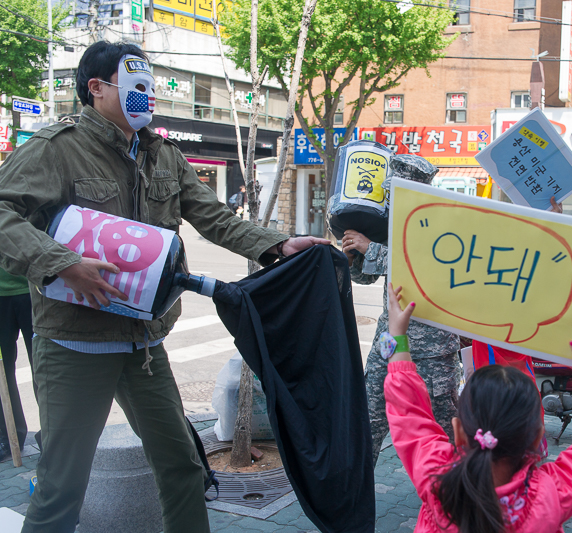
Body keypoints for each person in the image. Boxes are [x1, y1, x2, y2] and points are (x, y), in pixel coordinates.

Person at [0, 41, 328, 533]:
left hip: (144, 346)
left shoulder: (163, 154)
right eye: (137, 87)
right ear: (97, 88)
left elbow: (214, 218)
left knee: (182, 467)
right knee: (62, 484)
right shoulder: (55, 150)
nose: (148, 96)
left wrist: (278, 246)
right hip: (75, 344)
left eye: (151, 87)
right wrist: (62, 263)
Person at [382, 282, 572, 533]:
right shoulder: (551, 495)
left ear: (459, 431)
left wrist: (397, 334)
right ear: (538, 437)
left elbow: (408, 413)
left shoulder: (435, 476)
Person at [345, 155, 461, 467]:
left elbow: (422, 262)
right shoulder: (390, 227)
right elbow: (368, 277)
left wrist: (371, 248)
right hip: (390, 346)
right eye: (390, 194)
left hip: (434, 354)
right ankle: (355, 495)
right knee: (368, 423)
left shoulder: (445, 227)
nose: (391, 200)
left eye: (398, 193)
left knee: (447, 432)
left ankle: (455, 496)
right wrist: (355, 259)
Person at [0, 267, 35, 461]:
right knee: (1, 373)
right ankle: (9, 436)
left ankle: (51, 438)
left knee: (43, 367)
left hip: (34, 291)